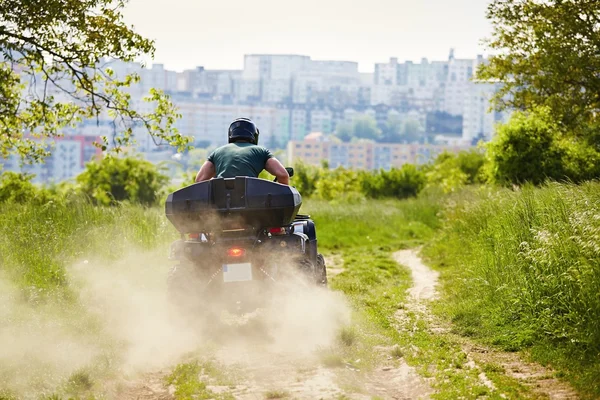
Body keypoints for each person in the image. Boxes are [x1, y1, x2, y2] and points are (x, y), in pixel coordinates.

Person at [195, 118, 289, 185]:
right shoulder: (261, 151)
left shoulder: (217, 152)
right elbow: (283, 175)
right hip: (251, 201)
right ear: (254, 135)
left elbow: (199, 180)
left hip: (220, 201)